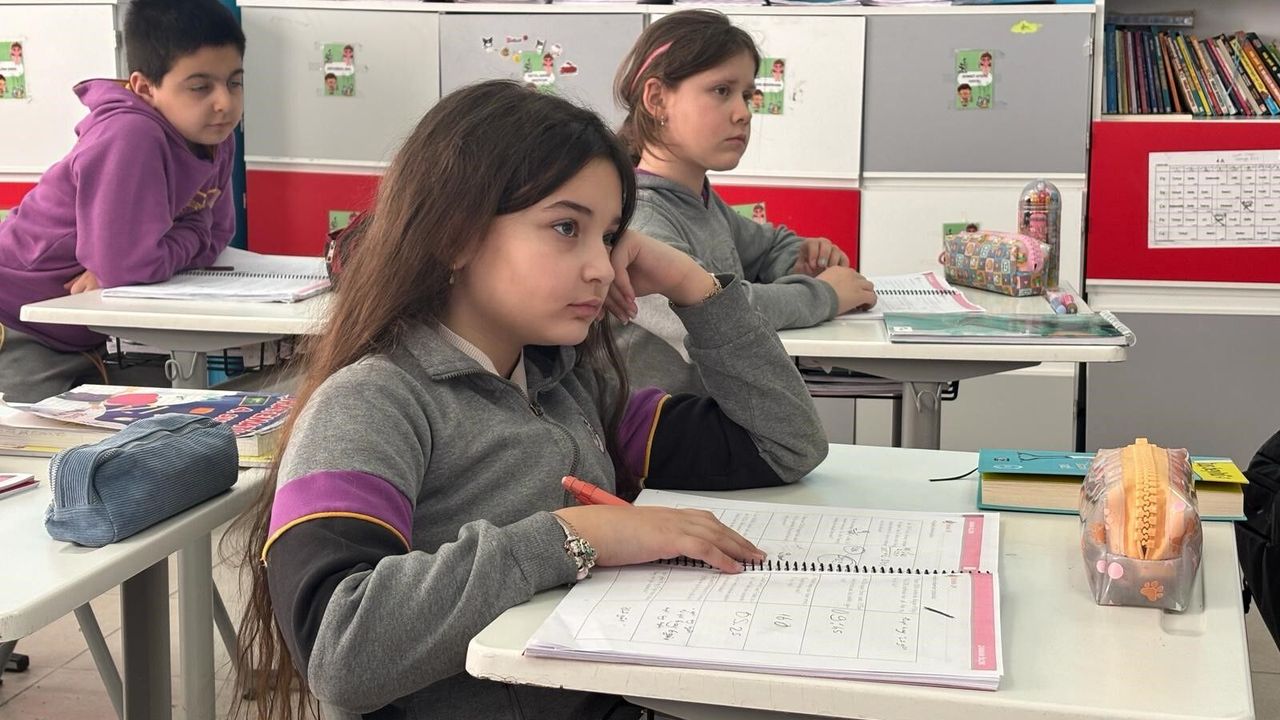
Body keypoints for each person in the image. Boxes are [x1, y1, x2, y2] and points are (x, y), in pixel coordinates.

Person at [232, 80, 829, 720]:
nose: (603, 267)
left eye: (609, 237)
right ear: (455, 234)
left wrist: (694, 286)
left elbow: (785, 446)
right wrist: (574, 537)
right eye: (566, 227)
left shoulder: (569, 385)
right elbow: (338, 650)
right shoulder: (371, 403)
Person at [612, 9, 876, 393]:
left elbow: (769, 245)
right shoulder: (642, 217)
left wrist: (801, 258)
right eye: (722, 91)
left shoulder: (700, 200)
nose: (744, 113)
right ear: (657, 99)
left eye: (748, 95)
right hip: (662, 425)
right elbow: (717, 313)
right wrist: (826, 295)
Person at [0, 0, 243, 403]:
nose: (225, 103)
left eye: (234, 82)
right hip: (19, 323)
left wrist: (139, 259)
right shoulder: (130, 135)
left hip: (80, 332)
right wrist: (135, 260)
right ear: (145, 88)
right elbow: (130, 264)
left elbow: (217, 233)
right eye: (200, 87)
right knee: (31, 439)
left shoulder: (215, 134)